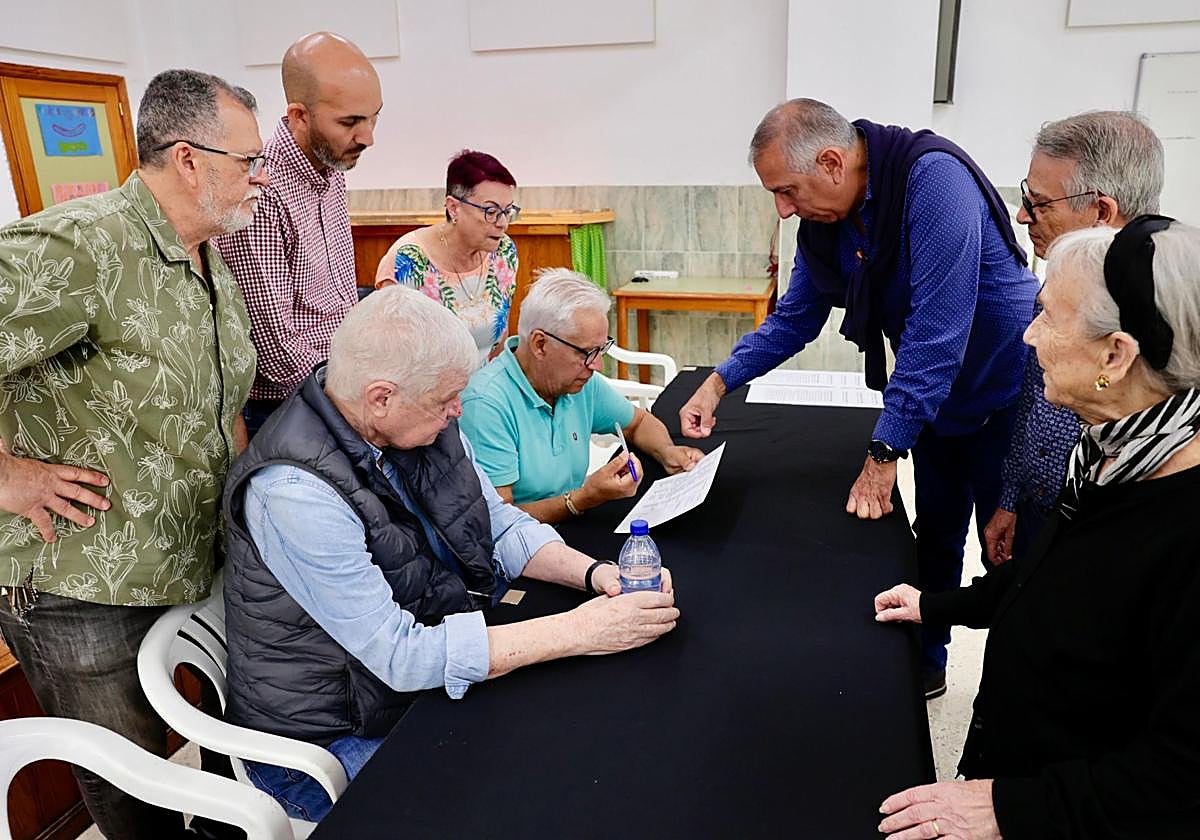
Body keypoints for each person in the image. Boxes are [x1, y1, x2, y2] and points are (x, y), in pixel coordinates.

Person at [222, 285, 679, 821]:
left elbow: (498, 523)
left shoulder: (415, 422)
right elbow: (400, 657)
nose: (458, 410)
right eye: (445, 400)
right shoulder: (296, 494)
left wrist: (595, 575)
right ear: (381, 397)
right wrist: (580, 631)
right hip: (330, 734)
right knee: (528, 800)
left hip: (401, 681)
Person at [678, 99, 1038, 699]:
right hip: (940, 401)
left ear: (831, 162)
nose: (784, 209)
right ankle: (926, 656)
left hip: (1003, 390)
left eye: (787, 190)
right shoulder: (828, 224)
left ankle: (1017, 684)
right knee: (937, 530)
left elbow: (937, 333)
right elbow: (795, 318)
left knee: (1011, 546)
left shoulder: (933, 181)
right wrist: (719, 381)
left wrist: (882, 452)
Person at [0, 69, 262, 839]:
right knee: (135, 795)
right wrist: (8, 478)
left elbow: (218, 399)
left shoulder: (209, 250)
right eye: (249, 161)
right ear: (188, 159)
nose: (262, 178)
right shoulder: (82, 246)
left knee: (224, 762)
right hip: (83, 580)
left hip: (188, 557)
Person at [875, 219, 1200, 839]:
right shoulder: (1108, 453)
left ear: (1115, 355)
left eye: (1047, 316)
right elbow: (1047, 584)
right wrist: (935, 604)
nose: (1028, 336)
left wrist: (1009, 809)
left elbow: (1180, 774)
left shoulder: (1184, 526)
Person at [982, 111, 1164, 567]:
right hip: (1034, 513)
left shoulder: (1166, 318)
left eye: (1039, 203)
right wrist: (1010, 497)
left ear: (1101, 212)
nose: (1023, 215)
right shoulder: (1059, 287)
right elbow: (1030, 404)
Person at [216, 31, 382, 438]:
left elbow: (340, 300)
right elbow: (277, 356)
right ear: (299, 116)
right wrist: (362, 391)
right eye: (350, 122)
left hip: (336, 386)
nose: (368, 137)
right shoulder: (261, 192)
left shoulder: (331, 166)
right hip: (290, 410)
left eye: (374, 116)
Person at [460, 269, 704, 523]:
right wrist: (583, 498)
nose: (597, 365)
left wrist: (667, 452)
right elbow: (496, 522)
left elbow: (638, 423)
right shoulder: (486, 405)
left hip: (568, 529)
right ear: (540, 344)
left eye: (601, 350)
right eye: (586, 352)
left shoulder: (578, 384)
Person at [374, 149, 519, 363]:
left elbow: (499, 339)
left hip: (483, 387)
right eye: (491, 211)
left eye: (507, 211)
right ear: (454, 207)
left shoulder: (503, 251)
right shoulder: (408, 260)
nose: (502, 223)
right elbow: (393, 357)